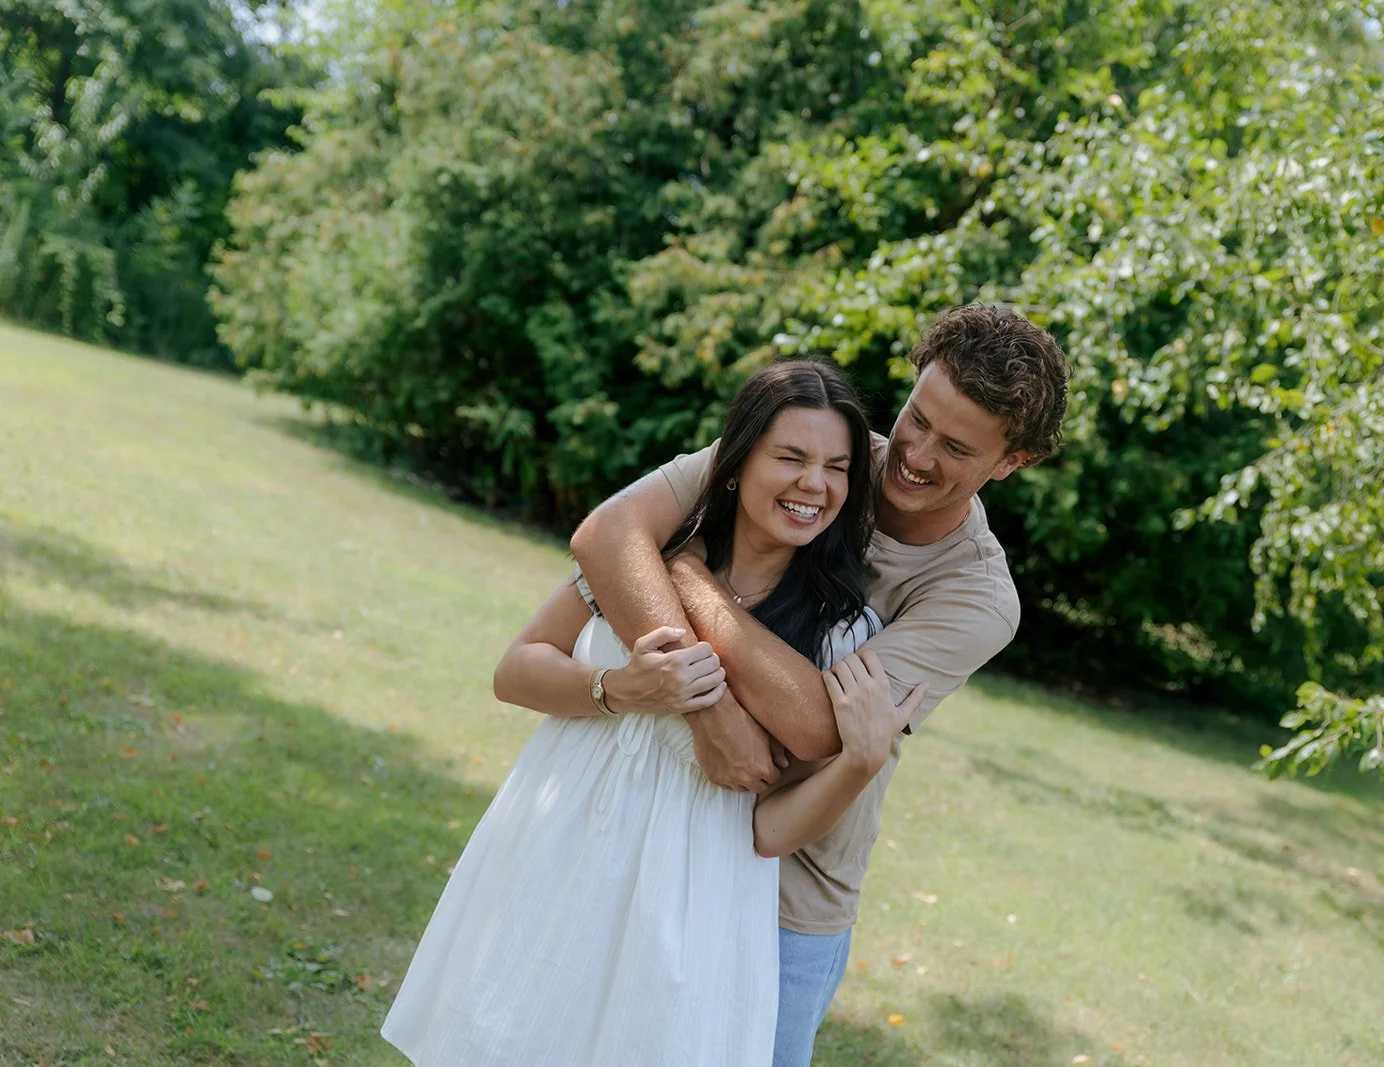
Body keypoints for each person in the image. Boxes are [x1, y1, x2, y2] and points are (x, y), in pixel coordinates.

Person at [381, 361, 923, 1066]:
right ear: (735, 463)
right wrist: (619, 687)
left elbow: (768, 827)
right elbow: (515, 669)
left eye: (837, 466)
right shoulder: (645, 557)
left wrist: (858, 763)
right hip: (561, 846)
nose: (813, 484)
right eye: (790, 457)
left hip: (692, 900)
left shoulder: (839, 634)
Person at [571, 303, 1070, 1065]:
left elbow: (811, 726)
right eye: (917, 418)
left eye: (957, 446)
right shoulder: (815, 445)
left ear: (1012, 462)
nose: (915, 454)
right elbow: (608, 535)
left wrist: (683, 571)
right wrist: (709, 709)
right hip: (660, 830)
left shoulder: (975, 597)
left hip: (787, 895)